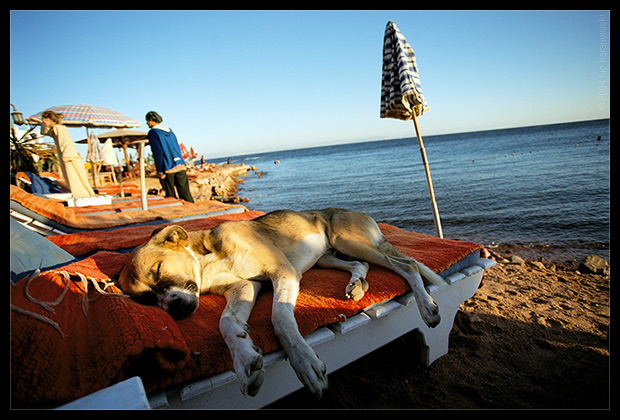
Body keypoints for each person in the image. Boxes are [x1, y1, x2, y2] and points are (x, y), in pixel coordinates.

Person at [40, 110, 95, 198]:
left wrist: (67, 154)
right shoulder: (55, 129)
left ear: (50, 119)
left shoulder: (59, 128)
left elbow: (66, 142)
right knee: (72, 177)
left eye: (45, 120)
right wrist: (39, 122)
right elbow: (44, 132)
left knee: (75, 177)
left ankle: (82, 195)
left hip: (69, 156)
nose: (44, 122)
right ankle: (81, 194)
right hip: (68, 155)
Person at [145, 111, 194, 202]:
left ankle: (178, 214)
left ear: (152, 120)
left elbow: (157, 152)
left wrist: (159, 170)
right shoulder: (170, 131)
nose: (146, 123)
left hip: (167, 166)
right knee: (185, 193)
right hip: (180, 164)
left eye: (147, 120)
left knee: (170, 195)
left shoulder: (153, 133)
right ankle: (194, 212)